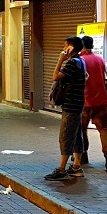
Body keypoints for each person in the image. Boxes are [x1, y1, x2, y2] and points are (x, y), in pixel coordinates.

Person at [45, 36, 86, 181]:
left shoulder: (71, 63)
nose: (63, 49)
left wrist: (60, 60)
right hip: (78, 104)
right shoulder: (81, 62)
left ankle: (61, 169)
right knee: (76, 136)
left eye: (65, 46)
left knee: (66, 136)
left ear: (71, 47)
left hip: (71, 105)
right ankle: (76, 166)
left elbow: (55, 76)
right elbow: (86, 77)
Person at [79, 36, 107, 171]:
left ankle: (83, 155)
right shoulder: (100, 59)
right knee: (104, 129)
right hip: (101, 100)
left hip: (84, 101)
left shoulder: (79, 60)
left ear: (81, 46)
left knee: (82, 129)